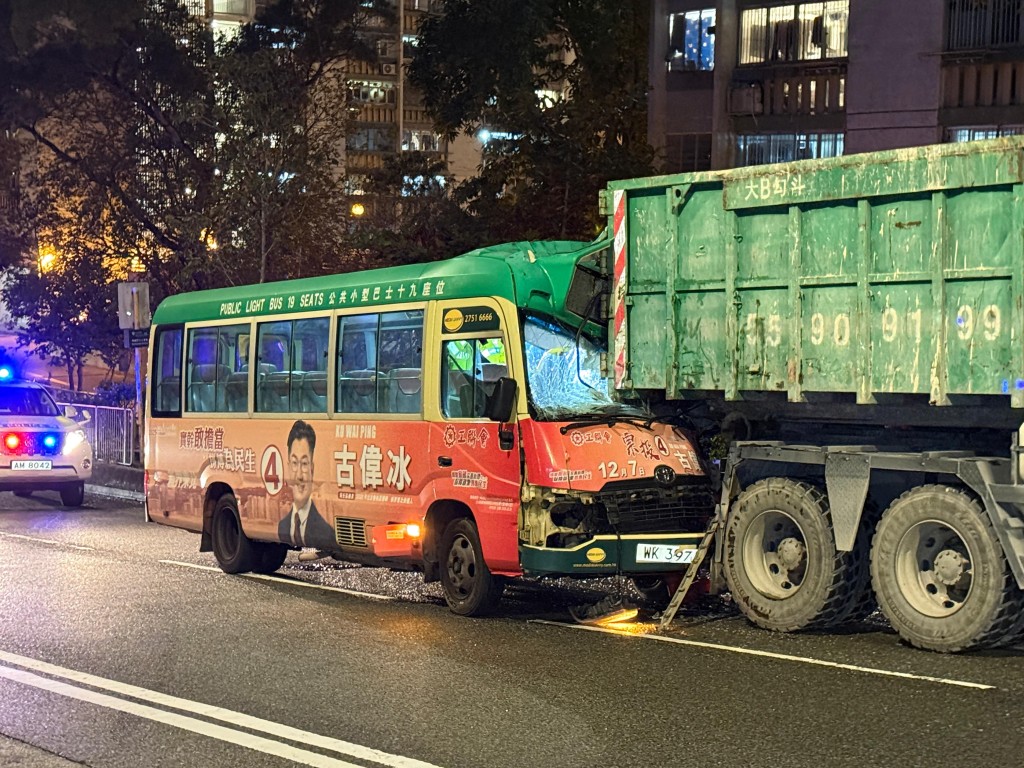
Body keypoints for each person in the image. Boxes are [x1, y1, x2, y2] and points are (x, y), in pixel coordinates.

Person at [278, 419, 334, 549]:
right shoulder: (282, 526)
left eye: (304, 464)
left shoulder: (326, 531)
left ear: (312, 469)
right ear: (288, 467)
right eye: (294, 463)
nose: (299, 476)